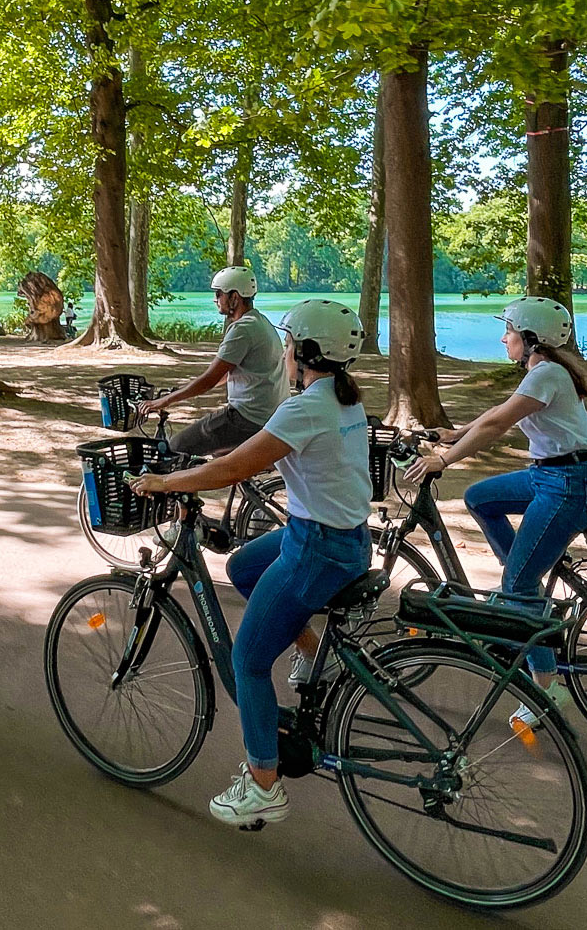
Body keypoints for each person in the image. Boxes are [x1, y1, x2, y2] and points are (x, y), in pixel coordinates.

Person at [133, 299, 371, 826]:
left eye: (289, 343)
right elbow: (267, 456)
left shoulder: (305, 406)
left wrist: (166, 481)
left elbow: (239, 464)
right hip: (344, 539)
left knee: (247, 662)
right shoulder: (341, 396)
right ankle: (312, 652)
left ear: (305, 352)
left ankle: (264, 784)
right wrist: (217, 463)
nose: (284, 351)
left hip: (316, 549)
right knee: (242, 567)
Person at [404, 297, 587, 726]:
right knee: (480, 497)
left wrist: (445, 459)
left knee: (518, 583)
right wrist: (457, 431)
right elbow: (499, 413)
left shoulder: (548, 373)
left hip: (573, 484)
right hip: (552, 476)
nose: (503, 338)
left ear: (531, 338)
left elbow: (498, 426)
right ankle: (521, 578)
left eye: (510, 332)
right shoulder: (543, 373)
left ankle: (546, 686)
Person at [136, 266, 288, 456]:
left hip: (247, 418)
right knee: (218, 456)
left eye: (219, 294)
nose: (216, 299)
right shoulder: (260, 321)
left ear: (235, 297)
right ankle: (239, 482)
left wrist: (164, 401)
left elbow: (209, 380)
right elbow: (225, 374)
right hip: (271, 414)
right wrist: (182, 391)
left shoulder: (242, 330)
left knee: (176, 448)